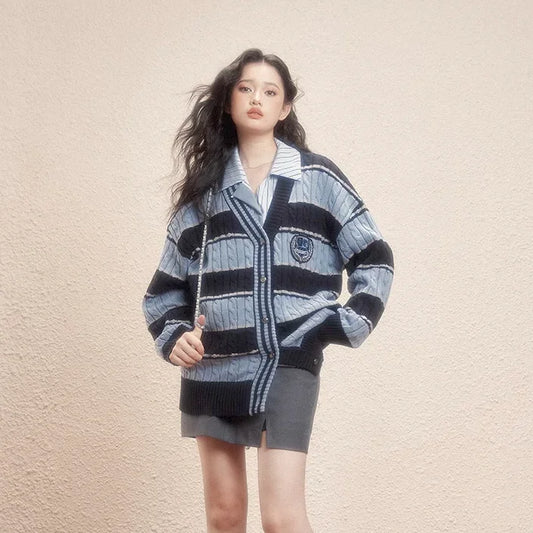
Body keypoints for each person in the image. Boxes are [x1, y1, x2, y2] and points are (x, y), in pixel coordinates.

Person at [142, 48, 394, 533]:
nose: (256, 98)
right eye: (245, 88)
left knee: (281, 517)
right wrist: (174, 337)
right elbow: (164, 292)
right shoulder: (203, 197)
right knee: (224, 515)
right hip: (212, 368)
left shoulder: (318, 179)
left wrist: (344, 322)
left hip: (288, 360)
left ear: (285, 107)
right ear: (228, 101)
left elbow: (374, 256)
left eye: (270, 91)